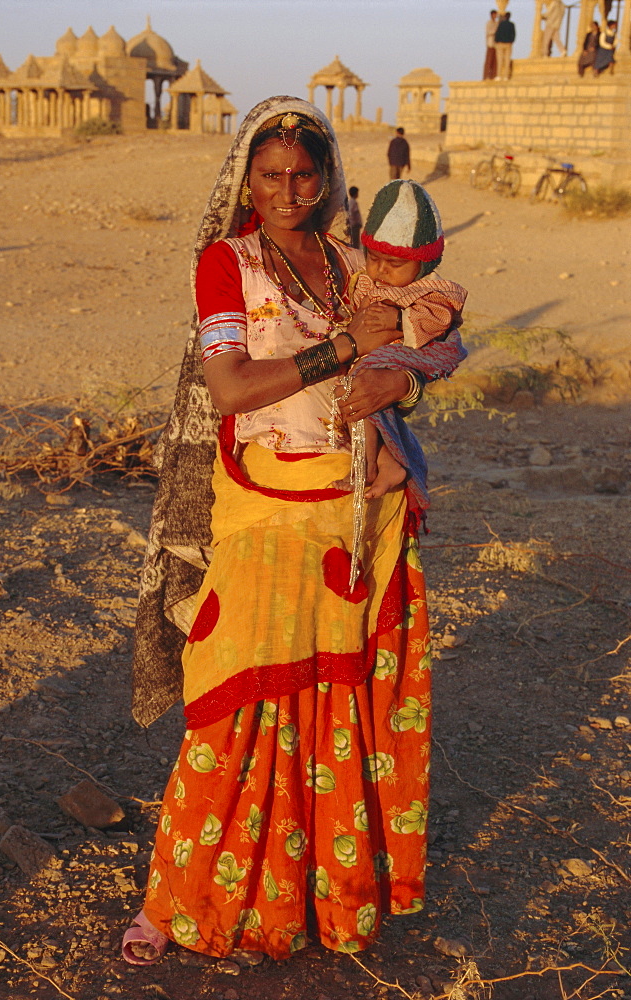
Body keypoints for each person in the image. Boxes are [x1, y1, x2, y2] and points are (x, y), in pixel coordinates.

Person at [122, 96, 466, 965]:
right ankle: (184, 896)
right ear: (247, 176)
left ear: (325, 179)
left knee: (337, 702)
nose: (285, 189)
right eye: (269, 174)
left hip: (356, 508)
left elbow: (437, 330)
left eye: (302, 174)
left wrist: (405, 383)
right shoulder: (225, 262)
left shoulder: (352, 259)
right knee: (234, 700)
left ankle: (327, 893)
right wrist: (345, 353)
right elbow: (233, 389)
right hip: (264, 510)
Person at [347, 180, 467, 501]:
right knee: (365, 406)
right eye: (373, 259)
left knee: (365, 395)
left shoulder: (432, 291)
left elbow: (438, 321)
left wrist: (398, 320)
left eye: (395, 264)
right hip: (371, 357)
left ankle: (368, 466)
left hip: (398, 357)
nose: (381, 270)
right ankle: (385, 463)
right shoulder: (364, 279)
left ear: (423, 263)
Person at [494, 11, 516, 80]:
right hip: (508, 44)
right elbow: (513, 34)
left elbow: (497, 33)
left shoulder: (501, 24)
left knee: (500, 60)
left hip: (500, 44)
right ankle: (506, 76)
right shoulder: (512, 24)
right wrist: (511, 41)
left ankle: (499, 75)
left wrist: (496, 41)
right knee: (507, 60)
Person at [483, 10, 498, 80]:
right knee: (489, 60)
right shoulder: (489, 23)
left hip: (496, 44)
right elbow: (488, 32)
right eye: (494, 15)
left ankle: (493, 76)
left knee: (495, 61)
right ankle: (487, 76)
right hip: (490, 43)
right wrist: (495, 31)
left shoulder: (496, 23)